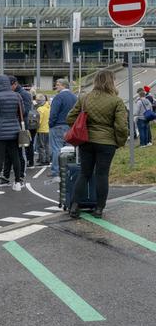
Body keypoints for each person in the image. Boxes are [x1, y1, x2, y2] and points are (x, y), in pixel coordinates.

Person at [66, 69, 128, 219]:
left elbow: (70, 118)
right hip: (107, 143)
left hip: (86, 141)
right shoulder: (116, 101)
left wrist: (84, 127)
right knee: (102, 175)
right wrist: (119, 142)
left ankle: (74, 206)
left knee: (84, 173)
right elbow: (121, 126)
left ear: (95, 81)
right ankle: (99, 209)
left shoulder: (85, 98)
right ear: (111, 82)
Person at [0, 75, 24, 192]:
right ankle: (17, 182)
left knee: (0, 158)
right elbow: (22, 112)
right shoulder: (17, 95)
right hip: (15, 131)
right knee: (15, 157)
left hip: (0, 131)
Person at [48, 78, 78, 181]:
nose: (56, 86)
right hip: (70, 126)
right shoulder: (75, 97)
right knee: (69, 149)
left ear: (63, 86)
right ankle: (70, 171)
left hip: (58, 125)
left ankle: (56, 172)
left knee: (57, 149)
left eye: (58, 84)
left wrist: (51, 124)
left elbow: (54, 113)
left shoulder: (58, 97)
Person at [35, 94, 51, 165]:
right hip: (48, 129)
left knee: (41, 146)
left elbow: (39, 120)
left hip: (41, 130)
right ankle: (48, 159)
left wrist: (35, 127)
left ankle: (42, 160)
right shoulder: (49, 107)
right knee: (47, 145)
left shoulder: (40, 109)